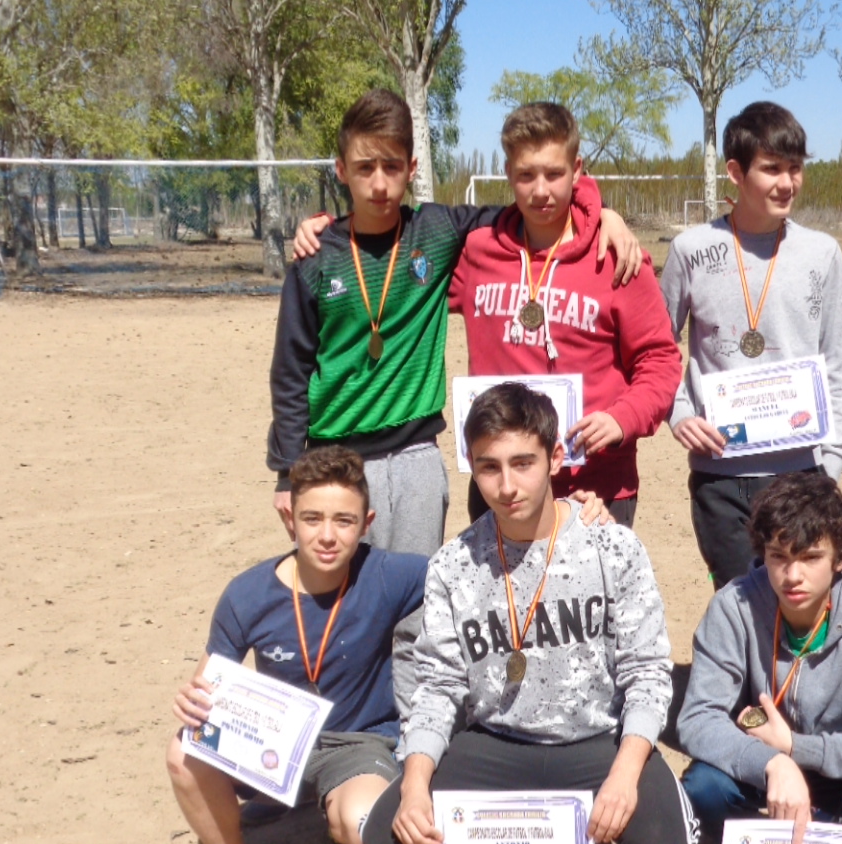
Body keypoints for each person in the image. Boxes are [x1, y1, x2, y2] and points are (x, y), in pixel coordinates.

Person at [360, 383, 694, 844]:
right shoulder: (452, 565)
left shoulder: (611, 547)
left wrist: (625, 772)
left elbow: (647, 673)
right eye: (489, 467)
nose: (507, 486)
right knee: (386, 839)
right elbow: (437, 686)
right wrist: (416, 783)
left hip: (593, 739)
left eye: (523, 463)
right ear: (470, 466)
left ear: (555, 459)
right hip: (496, 741)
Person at [269, 89, 642, 554]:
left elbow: (536, 201)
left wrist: (598, 210)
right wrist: (288, 470)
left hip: (416, 455)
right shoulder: (315, 256)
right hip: (332, 454)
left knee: (412, 602)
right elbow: (290, 371)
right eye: (364, 168)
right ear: (341, 170)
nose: (380, 184)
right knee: (338, 593)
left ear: (413, 168)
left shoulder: (439, 231)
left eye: (391, 166)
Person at [164, 447, 427, 844]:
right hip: (274, 740)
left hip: (357, 742)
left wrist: (578, 512)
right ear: (290, 518)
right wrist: (194, 702)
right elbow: (208, 684)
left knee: (365, 827)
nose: (328, 535)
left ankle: (343, 830)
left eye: (344, 520)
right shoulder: (248, 593)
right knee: (183, 751)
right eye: (312, 518)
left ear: (366, 522)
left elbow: (480, 563)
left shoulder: (391, 574)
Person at [674, 472, 842, 844]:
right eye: (778, 556)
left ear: (840, 558)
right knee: (702, 789)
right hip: (762, 763)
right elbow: (697, 719)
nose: (792, 576)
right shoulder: (733, 606)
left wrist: (797, 748)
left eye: (811, 557)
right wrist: (774, 762)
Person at [449, 102, 682, 529]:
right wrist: (323, 234)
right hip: (502, 487)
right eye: (526, 175)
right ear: (507, 174)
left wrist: (621, 418)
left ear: (578, 170)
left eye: (554, 174)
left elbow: (660, 361)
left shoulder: (617, 257)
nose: (540, 191)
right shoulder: (478, 252)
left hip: (595, 488)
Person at [663, 101, 842, 588]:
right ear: (735, 172)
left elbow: (836, 359)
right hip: (720, 477)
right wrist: (680, 413)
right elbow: (658, 351)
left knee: (799, 602)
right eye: (771, 169)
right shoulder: (690, 251)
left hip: (800, 472)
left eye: (795, 168)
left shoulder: (822, 253)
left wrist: (830, 461)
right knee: (738, 603)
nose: (786, 183)